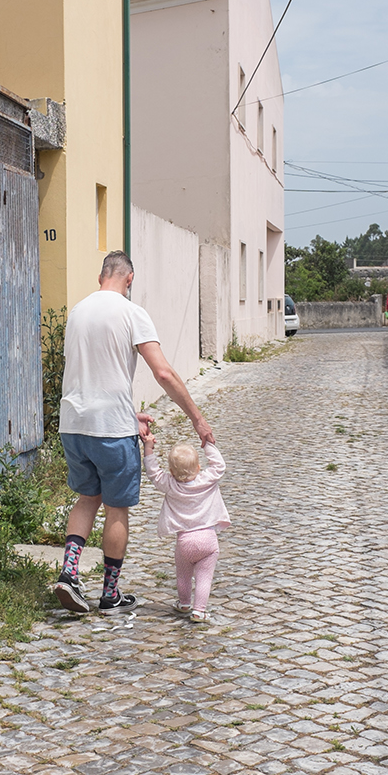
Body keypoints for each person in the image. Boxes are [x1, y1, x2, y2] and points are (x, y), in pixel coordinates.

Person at [55, 250, 215, 614]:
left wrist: (130, 414)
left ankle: (68, 574)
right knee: (116, 508)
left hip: (74, 426)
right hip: (110, 430)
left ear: (101, 278)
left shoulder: (78, 312)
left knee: (86, 499)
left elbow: (90, 374)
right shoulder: (132, 312)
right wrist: (197, 419)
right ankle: (110, 595)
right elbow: (163, 373)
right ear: (130, 280)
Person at [141, 433, 229, 623]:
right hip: (208, 540)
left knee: (183, 575)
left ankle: (184, 603)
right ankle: (199, 610)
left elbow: (153, 473)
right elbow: (219, 466)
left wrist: (148, 447)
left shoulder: (170, 485)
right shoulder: (207, 480)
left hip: (184, 541)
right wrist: (208, 446)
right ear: (198, 467)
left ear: (171, 472)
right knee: (204, 577)